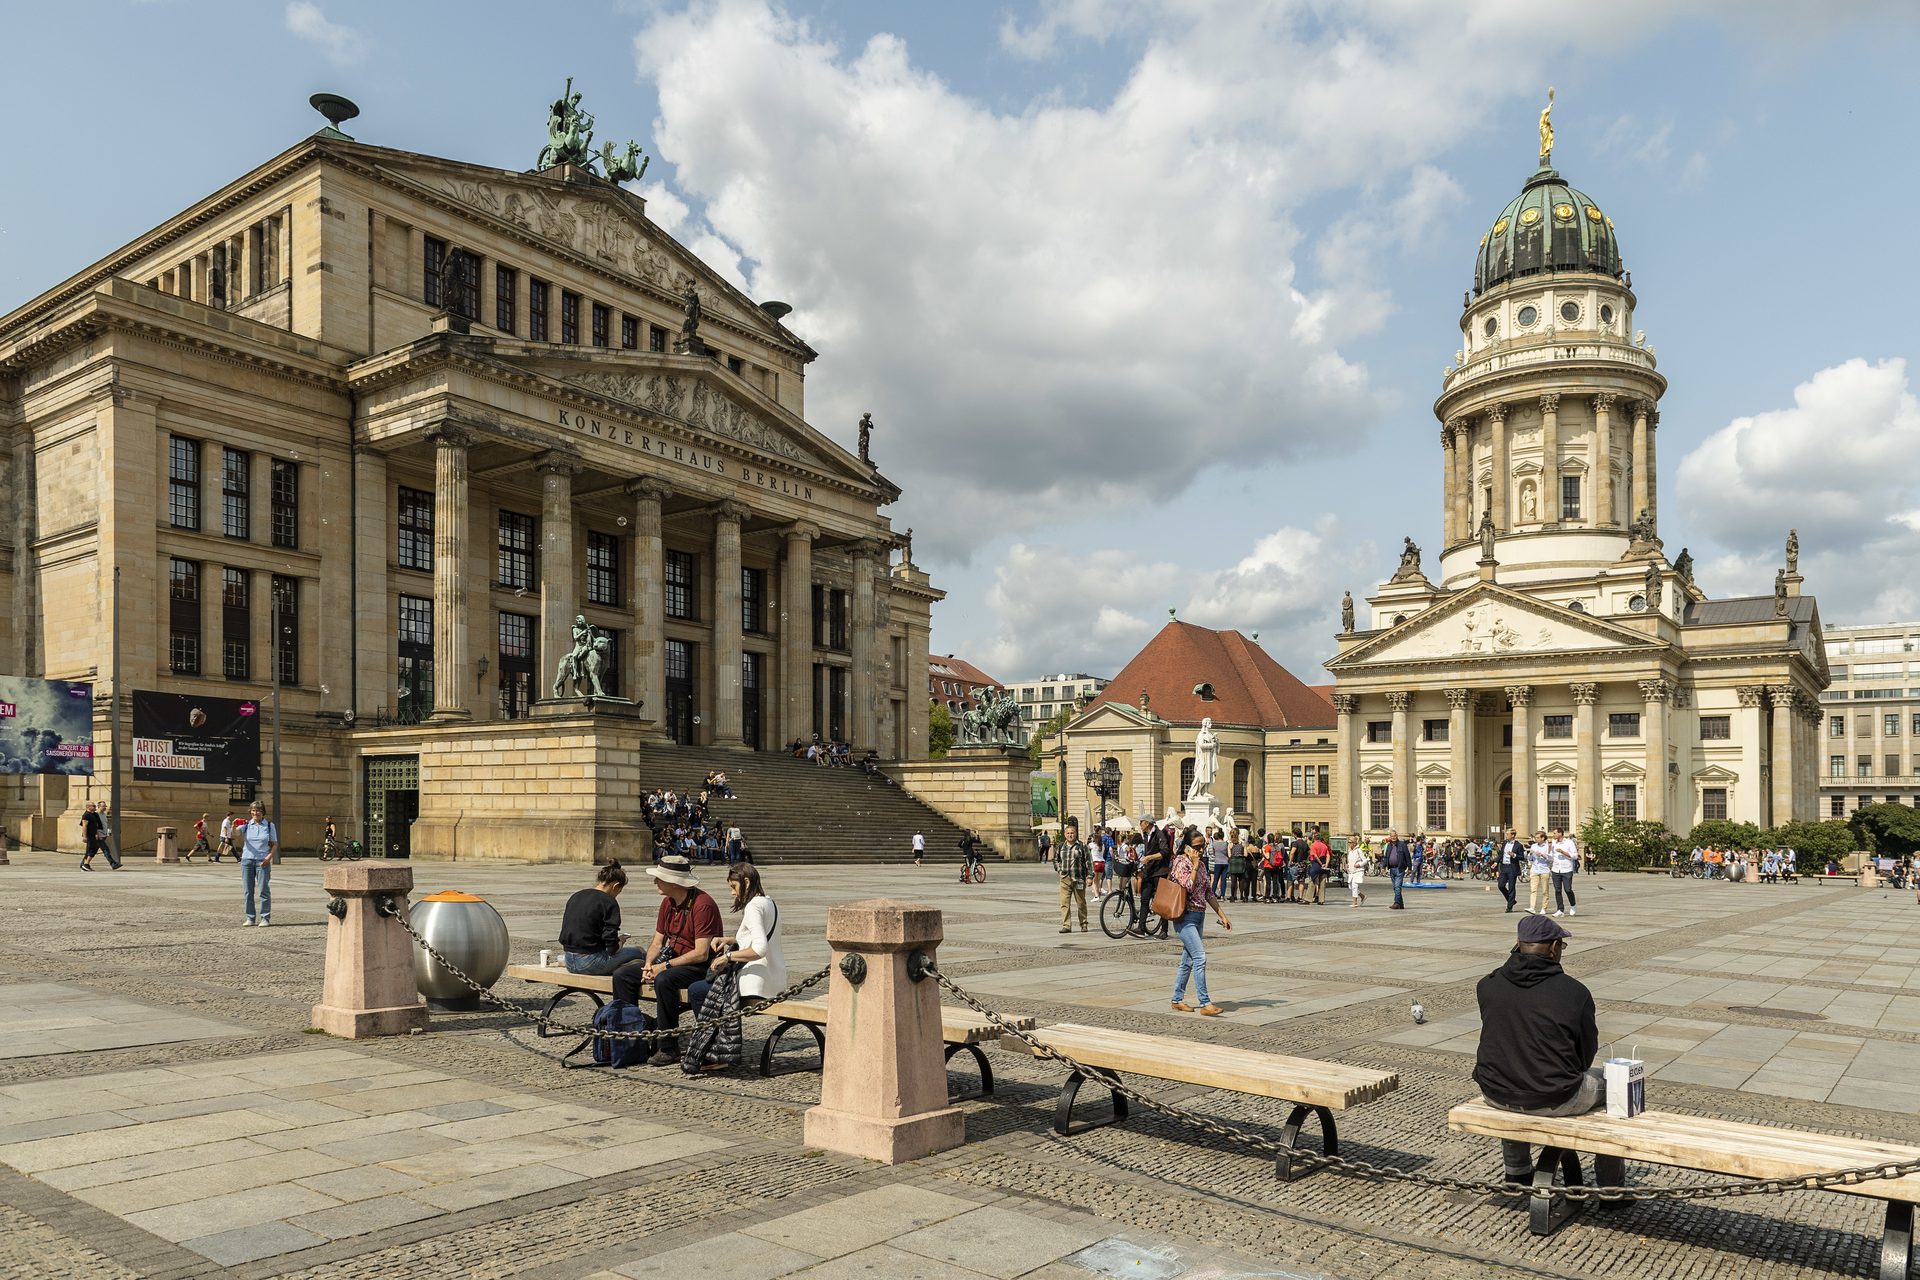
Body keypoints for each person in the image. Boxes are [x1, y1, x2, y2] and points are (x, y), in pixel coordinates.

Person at [1472, 914, 1603, 1186]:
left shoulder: (1488, 985)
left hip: (1494, 1091)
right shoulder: (1574, 992)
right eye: (1562, 947)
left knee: (1512, 1070)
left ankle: (1517, 1172)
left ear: (1518, 944)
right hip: (1554, 1095)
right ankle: (1613, 1186)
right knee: (1619, 1083)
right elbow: (1585, 1055)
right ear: (1554, 947)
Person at [611, 855, 726, 1066]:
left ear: (674, 882)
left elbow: (701, 953)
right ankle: (627, 1036)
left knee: (664, 980)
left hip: (699, 966)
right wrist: (648, 964)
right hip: (671, 961)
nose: (655, 882)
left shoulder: (703, 905)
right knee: (623, 975)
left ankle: (668, 1045)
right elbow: (656, 942)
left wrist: (662, 967)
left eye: (659, 878)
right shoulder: (668, 903)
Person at [1168, 827, 1231, 1015]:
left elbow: (1208, 893)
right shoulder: (1180, 862)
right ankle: (1205, 1003)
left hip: (1199, 915)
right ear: (1187, 846)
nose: (1201, 850)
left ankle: (1177, 999)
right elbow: (1187, 885)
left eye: (1203, 846)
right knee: (1200, 957)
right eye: (1197, 846)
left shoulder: (1202, 865)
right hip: (1184, 916)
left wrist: (1222, 915)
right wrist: (1194, 864)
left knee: (1187, 961)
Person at [559, 861, 649, 974]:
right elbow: (612, 947)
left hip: (569, 961)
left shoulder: (576, 896)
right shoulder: (609, 902)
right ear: (615, 886)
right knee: (640, 952)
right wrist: (619, 942)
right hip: (591, 963)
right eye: (619, 891)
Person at [238, 801, 277, 926]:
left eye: (258, 810)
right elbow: (235, 834)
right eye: (253, 810)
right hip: (247, 860)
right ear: (250, 812)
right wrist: (234, 827)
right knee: (248, 890)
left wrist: (269, 857)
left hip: (262, 861)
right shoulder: (246, 825)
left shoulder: (270, 825)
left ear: (263, 812)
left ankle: (265, 917)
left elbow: (274, 844)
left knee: (263, 890)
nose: (256, 813)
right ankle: (250, 917)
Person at [1057, 817, 1091, 933]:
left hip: (1079, 878)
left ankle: (1083, 924)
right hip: (1065, 879)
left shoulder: (1082, 846)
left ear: (1076, 834)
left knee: (1081, 903)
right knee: (1064, 903)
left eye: (1072, 833)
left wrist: (1090, 877)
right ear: (1065, 834)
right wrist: (1059, 870)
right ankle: (1066, 925)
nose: (1070, 835)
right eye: (1068, 833)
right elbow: (1056, 860)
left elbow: (1089, 862)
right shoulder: (1061, 846)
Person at [1549, 827, 1579, 916]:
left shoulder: (1569, 842)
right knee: (1557, 890)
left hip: (1566, 869)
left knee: (1568, 889)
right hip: (1555, 869)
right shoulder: (1554, 843)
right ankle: (1560, 909)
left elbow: (1575, 856)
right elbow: (1551, 856)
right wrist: (1545, 853)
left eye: (1555, 833)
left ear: (1560, 833)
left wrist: (1563, 852)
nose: (1553, 835)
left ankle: (1573, 905)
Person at [1496, 826, 1524, 913]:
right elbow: (1501, 854)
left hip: (1512, 867)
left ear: (1512, 835)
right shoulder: (1504, 843)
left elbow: (1522, 857)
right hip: (1504, 867)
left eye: (1507, 834)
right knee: (1501, 885)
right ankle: (1511, 900)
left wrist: (1514, 855)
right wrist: (1496, 862)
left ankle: (1509, 907)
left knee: (1511, 887)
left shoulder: (1518, 845)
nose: (1506, 836)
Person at [1380, 830, 1411, 909]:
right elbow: (1386, 857)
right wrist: (1383, 867)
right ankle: (1401, 904)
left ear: (1397, 836)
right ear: (1390, 837)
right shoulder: (1389, 845)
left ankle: (1396, 903)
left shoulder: (1402, 845)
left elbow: (1407, 856)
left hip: (1400, 868)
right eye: (1392, 836)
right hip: (1392, 869)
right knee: (1395, 887)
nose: (1393, 837)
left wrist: (1410, 868)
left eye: (1394, 836)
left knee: (1397, 886)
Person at [1526, 829, 1554, 914]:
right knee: (1533, 889)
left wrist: (1542, 855)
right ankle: (1532, 907)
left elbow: (1551, 859)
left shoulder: (1548, 846)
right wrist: (1530, 854)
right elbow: (1530, 859)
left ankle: (1544, 908)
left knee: (1545, 890)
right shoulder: (1534, 846)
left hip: (1544, 870)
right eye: (1536, 837)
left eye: (1538, 837)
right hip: (1535, 869)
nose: (1536, 839)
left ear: (1543, 838)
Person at [1307, 829, 1331, 905]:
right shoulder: (1324, 846)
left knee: (1312, 881)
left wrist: (1320, 863)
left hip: (1316, 865)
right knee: (1322, 882)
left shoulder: (1313, 845)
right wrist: (1326, 864)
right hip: (1324, 865)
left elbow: (1315, 855)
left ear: (1314, 838)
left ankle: (1308, 899)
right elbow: (1328, 855)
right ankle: (1321, 900)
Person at [1346, 839, 1367, 907]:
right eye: (1348, 842)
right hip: (1351, 871)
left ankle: (1354, 902)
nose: (1349, 843)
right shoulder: (1349, 851)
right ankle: (1362, 896)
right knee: (1351, 886)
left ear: (1354, 843)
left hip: (1358, 871)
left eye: (1350, 842)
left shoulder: (1358, 850)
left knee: (1354, 886)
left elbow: (1365, 860)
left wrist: (1359, 865)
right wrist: (1347, 866)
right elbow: (1350, 861)